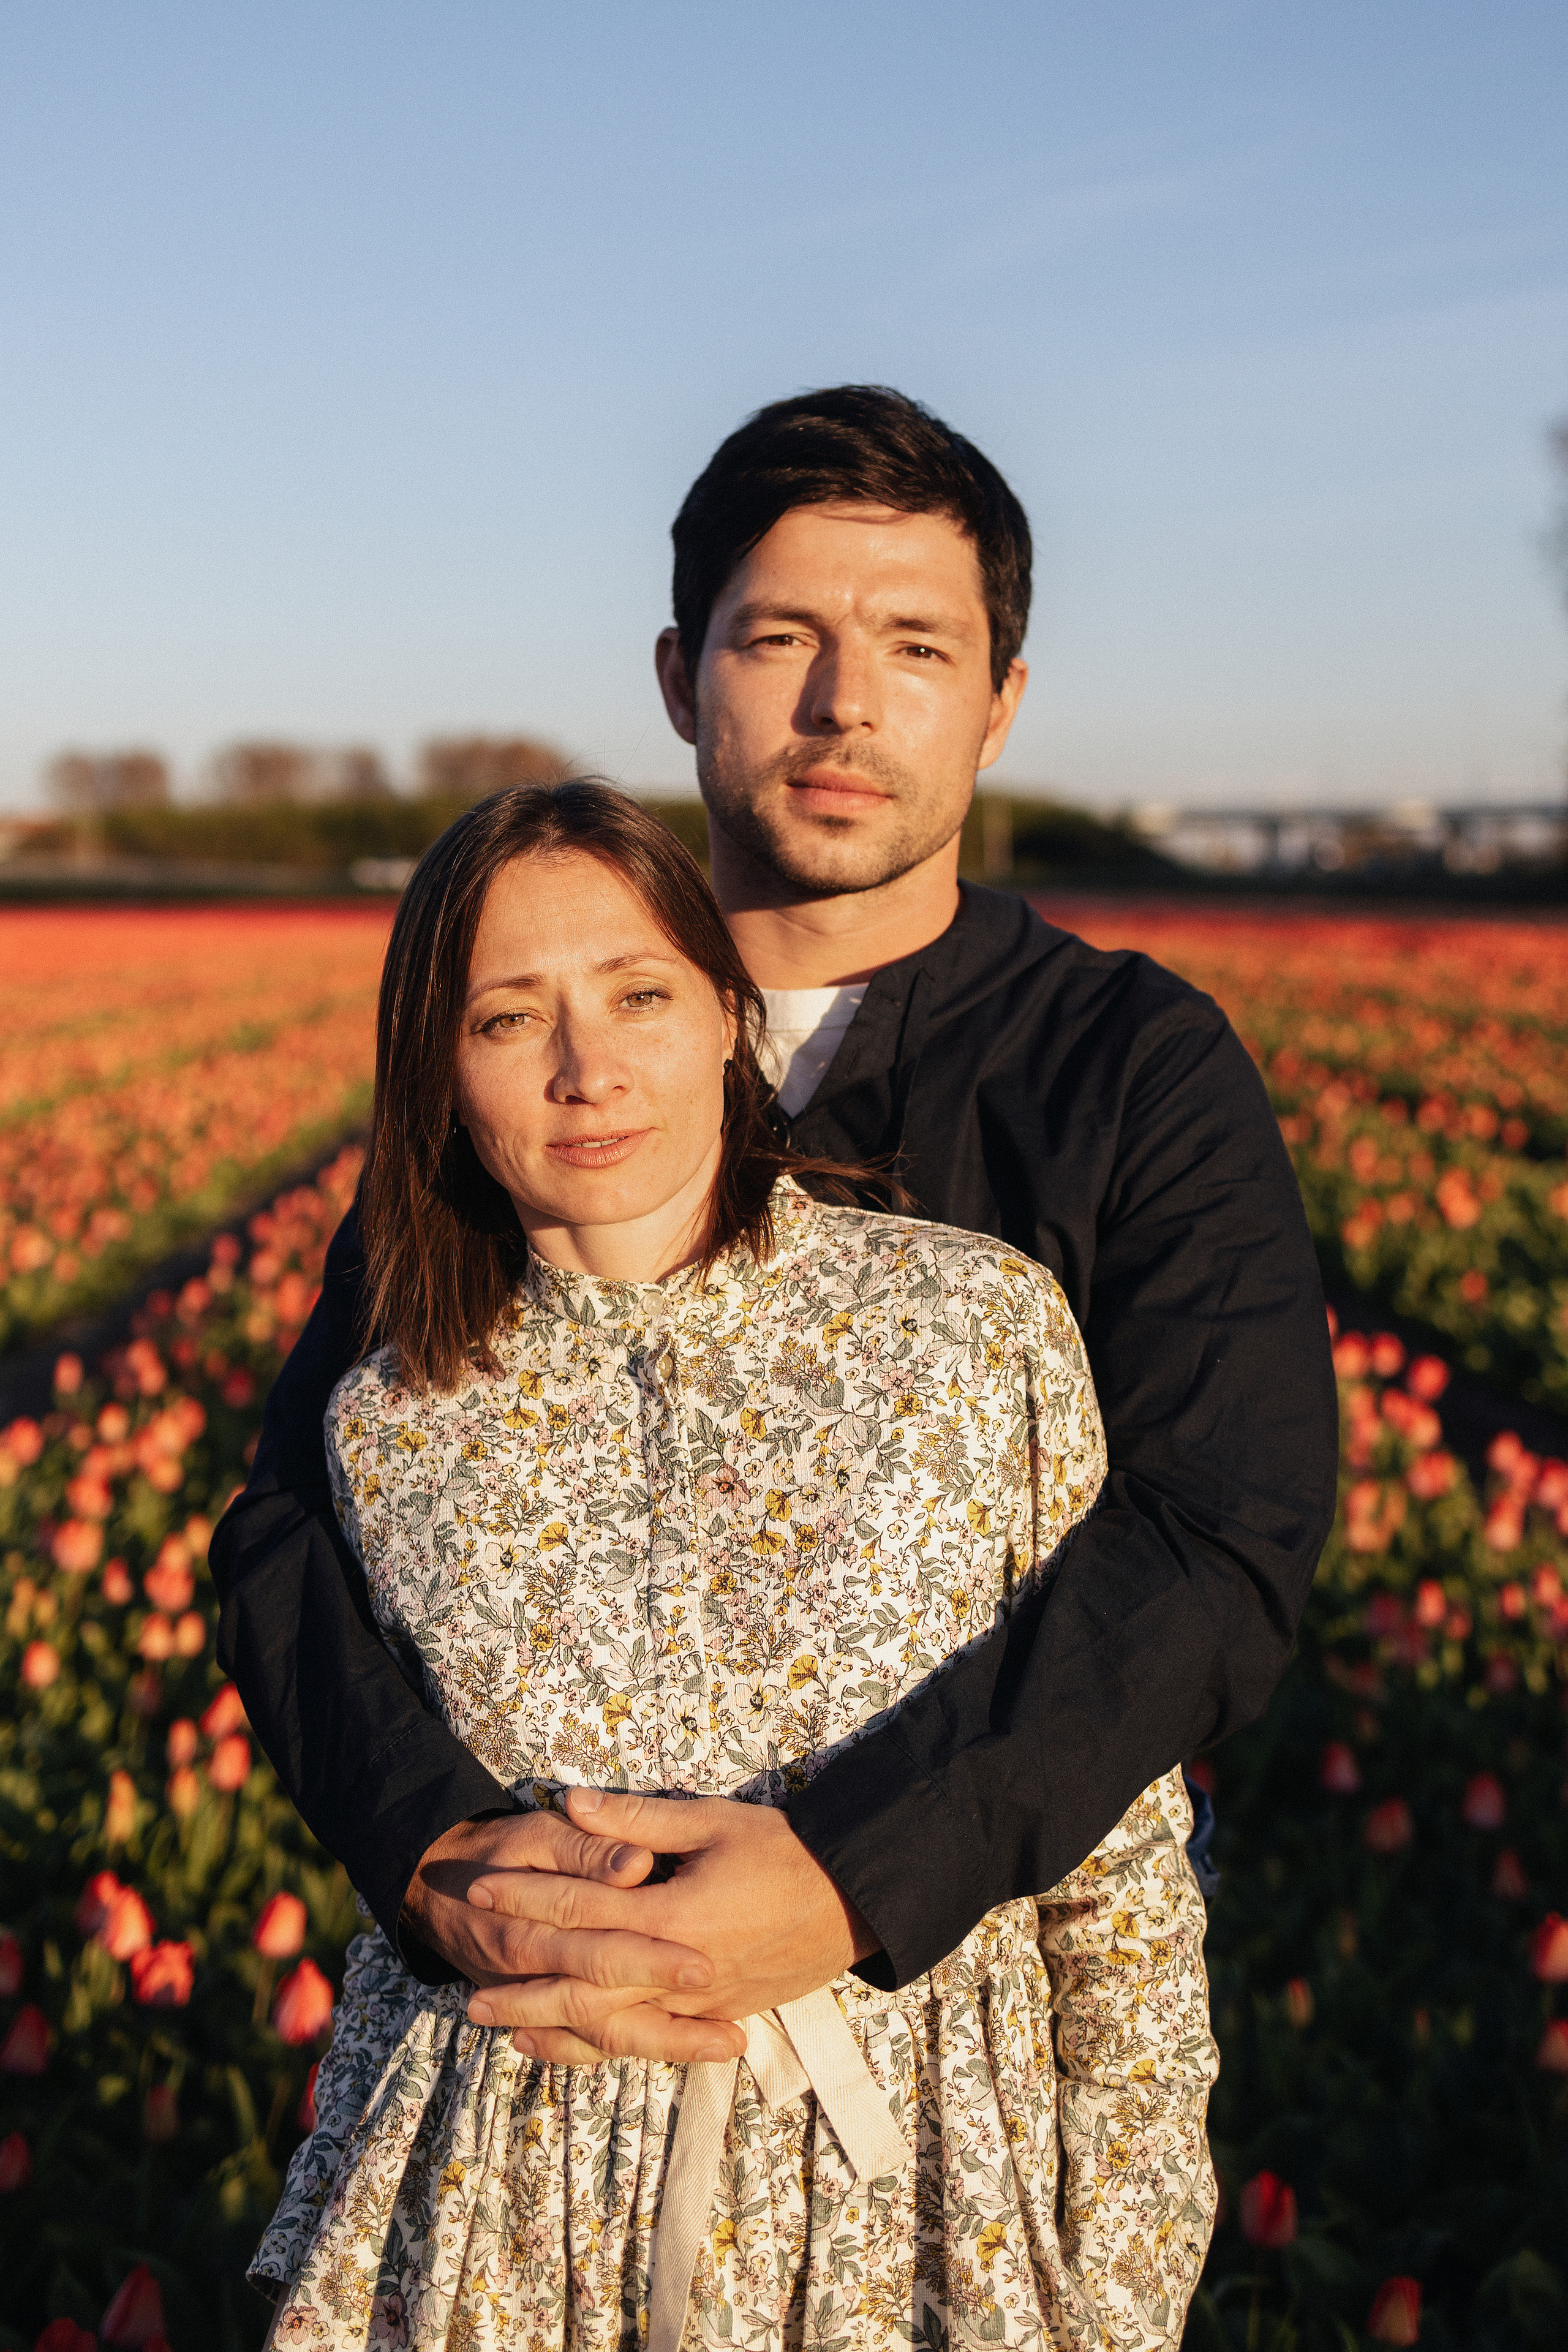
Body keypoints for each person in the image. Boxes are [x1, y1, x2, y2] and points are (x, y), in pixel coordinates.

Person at [213, 383, 1337, 2064]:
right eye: (779, 638)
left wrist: (851, 1878)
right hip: (545, 2012)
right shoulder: (541, 1048)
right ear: (680, 676)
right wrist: (436, 1855)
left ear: (1003, 703)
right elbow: (289, 1523)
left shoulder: (1127, 1071)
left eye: (918, 648)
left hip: (968, 1996)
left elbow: (1217, 1534)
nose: (844, 705)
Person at [252, 783, 1218, 2349]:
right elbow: (410, 1890)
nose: (588, 1070)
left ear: (725, 1015)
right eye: (506, 1019)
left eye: (637, 993)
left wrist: (1120, 2264)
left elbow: (1113, 1865)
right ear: (435, 1076)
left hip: (911, 2214)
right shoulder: (389, 1421)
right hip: (512, 2228)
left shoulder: (971, 1333)